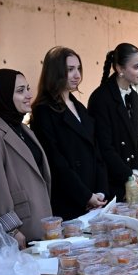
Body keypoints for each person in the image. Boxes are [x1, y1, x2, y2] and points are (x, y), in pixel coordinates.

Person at [0, 69, 53, 248]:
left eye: (27, 88)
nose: (29, 95)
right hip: (19, 233)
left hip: (41, 225)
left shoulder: (24, 129)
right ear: (3, 95)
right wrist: (11, 229)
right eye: (20, 91)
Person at [30, 46, 109, 220]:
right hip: (68, 200)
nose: (77, 75)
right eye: (70, 69)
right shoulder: (43, 111)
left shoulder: (79, 107)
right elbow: (55, 162)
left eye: (79, 69)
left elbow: (97, 152)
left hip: (94, 197)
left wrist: (101, 192)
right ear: (55, 72)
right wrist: (86, 196)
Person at [88, 43, 138, 201]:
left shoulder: (133, 96)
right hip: (110, 184)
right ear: (120, 69)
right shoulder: (101, 98)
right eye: (136, 66)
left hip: (131, 179)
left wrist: (135, 171)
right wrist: (128, 176)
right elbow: (104, 147)